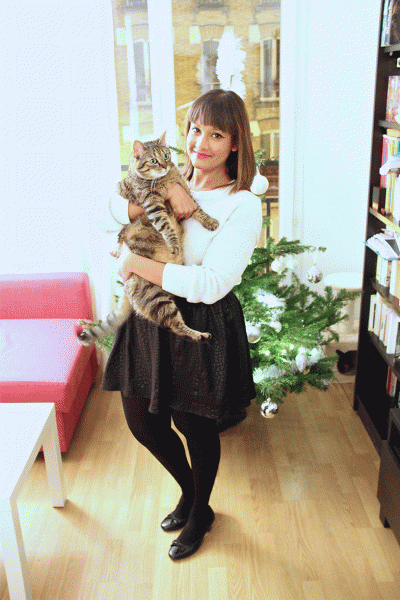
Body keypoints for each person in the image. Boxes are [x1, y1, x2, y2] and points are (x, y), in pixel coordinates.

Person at [101, 89, 266, 560]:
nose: (201, 143)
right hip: (148, 317)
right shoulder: (166, 179)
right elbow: (104, 211)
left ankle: (199, 511)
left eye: (216, 135)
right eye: (195, 130)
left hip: (198, 320)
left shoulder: (241, 204)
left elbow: (210, 283)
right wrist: (160, 199)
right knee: (141, 421)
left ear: (235, 143)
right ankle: (192, 494)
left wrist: (136, 262)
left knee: (195, 426)